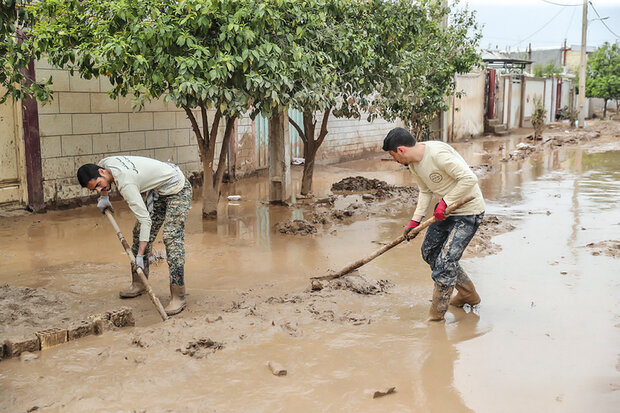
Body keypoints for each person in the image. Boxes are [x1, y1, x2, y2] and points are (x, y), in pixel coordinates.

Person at [382, 128, 485, 322]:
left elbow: (470, 179)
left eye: (393, 155)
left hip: (468, 212)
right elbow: (425, 191)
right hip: (446, 211)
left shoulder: (438, 155)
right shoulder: (413, 164)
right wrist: (415, 220)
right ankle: (468, 294)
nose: (394, 160)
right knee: (429, 252)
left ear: (401, 150)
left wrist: (446, 201)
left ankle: (436, 317)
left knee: (445, 264)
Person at [77, 155, 192, 316]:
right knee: (139, 233)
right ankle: (140, 283)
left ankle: (178, 295)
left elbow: (145, 220)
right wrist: (104, 197)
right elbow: (103, 185)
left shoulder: (126, 183)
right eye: (93, 189)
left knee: (171, 238)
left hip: (177, 187)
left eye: (98, 185)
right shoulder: (104, 164)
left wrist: (139, 256)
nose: (98, 189)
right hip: (159, 189)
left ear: (102, 172)